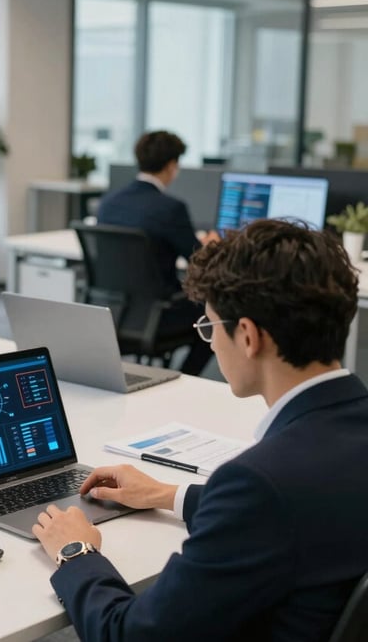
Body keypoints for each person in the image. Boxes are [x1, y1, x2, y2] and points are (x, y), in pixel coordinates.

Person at [32, 220, 368, 642]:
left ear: (248, 336)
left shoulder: (258, 484)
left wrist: (75, 552)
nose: (209, 342)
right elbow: (308, 502)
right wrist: (167, 495)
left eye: (209, 327)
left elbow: (127, 634)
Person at [96, 130, 219, 375]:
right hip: (160, 315)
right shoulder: (170, 208)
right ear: (172, 165)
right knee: (215, 314)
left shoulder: (108, 202)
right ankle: (185, 378)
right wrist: (212, 245)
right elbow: (197, 258)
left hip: (115, 312)